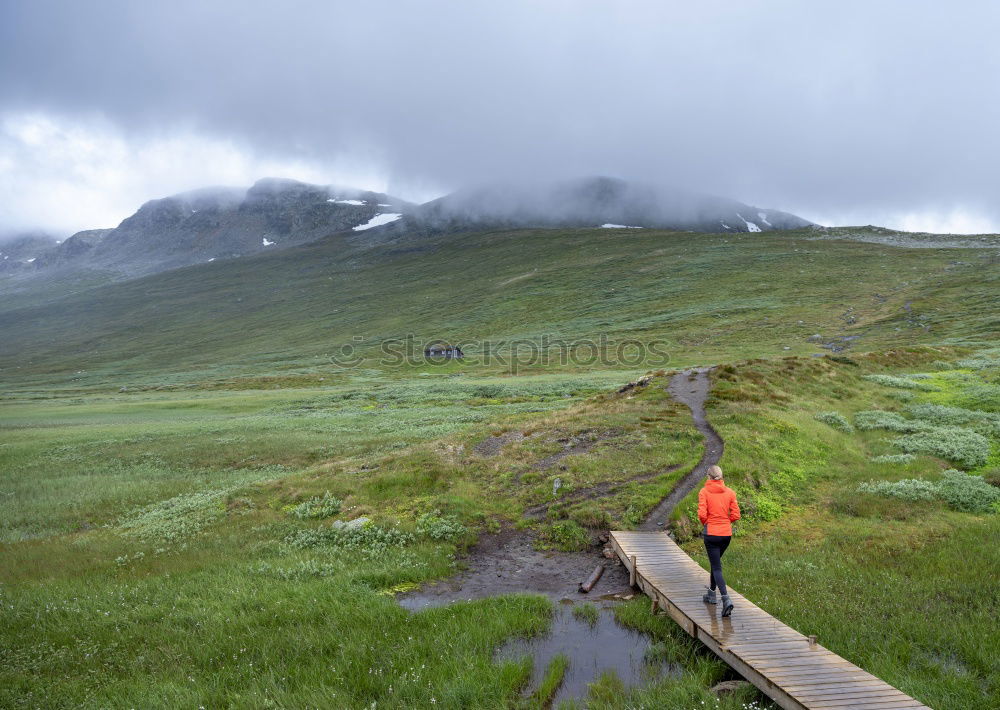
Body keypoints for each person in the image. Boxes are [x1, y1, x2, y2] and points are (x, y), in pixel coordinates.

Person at [698, 464, 741, 616]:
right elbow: (736, 515)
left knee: (716, 568)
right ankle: (711, 594)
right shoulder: (730, 492)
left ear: (708, 476)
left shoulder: (704, 492)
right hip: (726, 535)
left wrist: (707, 524)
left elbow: (702, 514)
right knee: (715, 563)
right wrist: (725, 522)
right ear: (721, 476)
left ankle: (726, 599)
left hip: (711, 534)